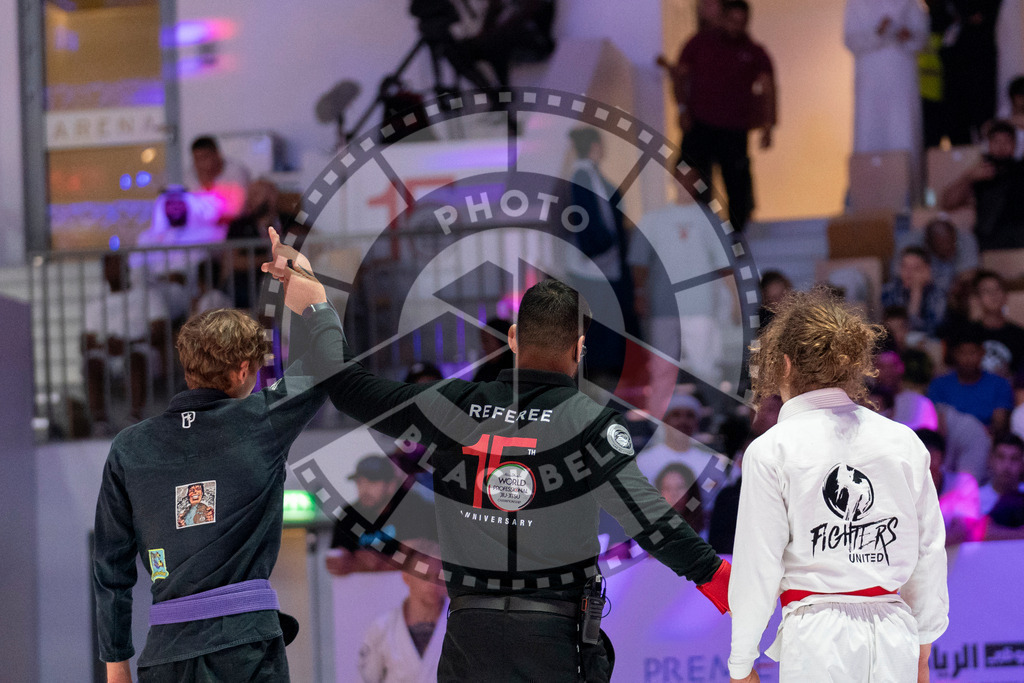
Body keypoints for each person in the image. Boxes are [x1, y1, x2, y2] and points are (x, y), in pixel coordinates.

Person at [262, 230, 731, 682]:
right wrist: (722, 582)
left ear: (512, 339)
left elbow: (346, 387)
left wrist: (316, 301)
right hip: (555, 643)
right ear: (580, 349)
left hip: (471, 641)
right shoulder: (592, 424)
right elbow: (653, 525)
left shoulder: (450, 406)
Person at [92, 306, 339, 682]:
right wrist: (314, 301)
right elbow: (329, 356)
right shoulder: (263, 419)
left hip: (165, 657)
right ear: (243, 370)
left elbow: (111, 567)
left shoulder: (129, 447)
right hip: (245, 650)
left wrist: (116, 669)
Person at [728, 288, 948, 683]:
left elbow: (757, 568)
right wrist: (923, 648)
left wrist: (741, 662)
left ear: (784, 363)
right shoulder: (902, 441)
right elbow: (928, 552)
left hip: (816, 638)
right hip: (894, 631)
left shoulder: (771, 451)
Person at [668, 0, 776, 232]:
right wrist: (682, 110)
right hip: (700, 125)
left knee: (737, 183)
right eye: (733, 20)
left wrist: (768, 126)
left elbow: (769, 88)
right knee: (690, 175)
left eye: (742, 22)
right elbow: (680, 76)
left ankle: (739, 233)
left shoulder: (754, 52)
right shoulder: (699, 44)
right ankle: (697, 227)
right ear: (723, 18)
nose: (737, 26)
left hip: (734, 130)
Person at [629, 186, 732, 393]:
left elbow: (725, 265)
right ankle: (660, 425)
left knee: (705, 369)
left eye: (691, 175)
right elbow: (639, 261)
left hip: (700, 307)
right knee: (661, 371)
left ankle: (711, 419)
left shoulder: (711, 220)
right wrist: (640, 294)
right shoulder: (654, 219)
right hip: (663, 307)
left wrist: (734, 301)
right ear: (673, 181)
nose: (685, 182)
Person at [566, 126, 641, 387]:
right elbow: (593, 223)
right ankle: (604, 375)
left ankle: (608, 373)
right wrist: (604, 246)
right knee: (602, 327)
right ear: (594, 146)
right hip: (597, 268)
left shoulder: (586, 175)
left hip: (601, 265)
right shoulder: (583, 176)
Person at [844, 0, 928, 200]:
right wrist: (878, 31)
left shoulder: (910, 3)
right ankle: (867, 199)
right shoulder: (856, 3)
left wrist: (907, 35)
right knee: (869, 132)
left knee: (903, 131)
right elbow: (850, 39)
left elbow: (921, 37)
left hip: (902, 75)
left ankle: (909, 198)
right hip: (870, 80)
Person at [83, 252, 171, 432]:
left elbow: (160, 331)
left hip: (139, 349)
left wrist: (128, 344)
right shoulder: (96, 303)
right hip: (106, 353)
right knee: (91, 364)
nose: (113, 271)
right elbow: (85, 342)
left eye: (117, 265)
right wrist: (107, 346)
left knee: (135, 359)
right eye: (109, 266)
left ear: (127, 268)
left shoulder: (147, 295)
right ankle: (100, 422)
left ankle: (135, 416)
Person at [327, 454, 437, 576]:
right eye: (359, 482)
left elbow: (414, 559)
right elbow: (336, 560)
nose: (364, 489)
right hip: (360, 591)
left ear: (391, 485)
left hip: (409, 590)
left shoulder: (411, 505)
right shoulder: (349, 514)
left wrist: (370, 562)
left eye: (372, 482)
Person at [357, 541, 449, 683]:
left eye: (439, 577)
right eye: (424, 577)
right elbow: (367, 679)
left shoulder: (462, 625)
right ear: (406, 577)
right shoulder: (382, 628)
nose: (433, 584)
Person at [940, 120, 1024, 251]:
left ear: (1014, 145)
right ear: (989, 145)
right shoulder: (979, 173)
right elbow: (947, 202)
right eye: (996, 141)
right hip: (988, 240)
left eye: (1006, 141)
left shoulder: (1020, 170)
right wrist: (968, 178)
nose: (1001, 146)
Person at [928, 328, 1014, 435]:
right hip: (948, 444)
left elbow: (999, 426)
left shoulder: (1000, 385)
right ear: (954, 354)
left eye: (972, 352)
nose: (968, 359)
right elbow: (936, 425)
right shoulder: (939, 385)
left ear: (982, 352)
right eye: (963, 353)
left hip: (987, 443)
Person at [880, 245, 947, 337]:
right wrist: (916, 294)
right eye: (905, 267)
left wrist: (916, 293)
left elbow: (932, 330)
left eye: (916, 268)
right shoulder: (889, 291)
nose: (908, 273)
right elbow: (893, 328)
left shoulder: (937, 294)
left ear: (927, 271)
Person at [185, 135, 251, 224]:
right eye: (197, 159)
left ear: (217, 154)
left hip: (235, 227)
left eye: (205, 157)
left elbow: (236, 210)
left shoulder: (236, 172)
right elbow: (192, 211)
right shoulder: (189, 176)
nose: (201, 164)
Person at [972, 270, 1024, 379]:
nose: (993, 295)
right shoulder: (967, 333)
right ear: (977, 299)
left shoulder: (1019, 335)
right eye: (987, 291)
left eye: (997, 289)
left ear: (1006, 295)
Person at [978, 434, 1024, 515]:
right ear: (991, 460)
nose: (1007, 465)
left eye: (1014, 458)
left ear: (1022, 464)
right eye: (1001, 457)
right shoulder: (977, 499)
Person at [471, 318, 515, 383]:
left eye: (486, 341)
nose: (483, 347)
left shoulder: (516, 372)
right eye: (482, 341)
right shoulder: (485, 371)